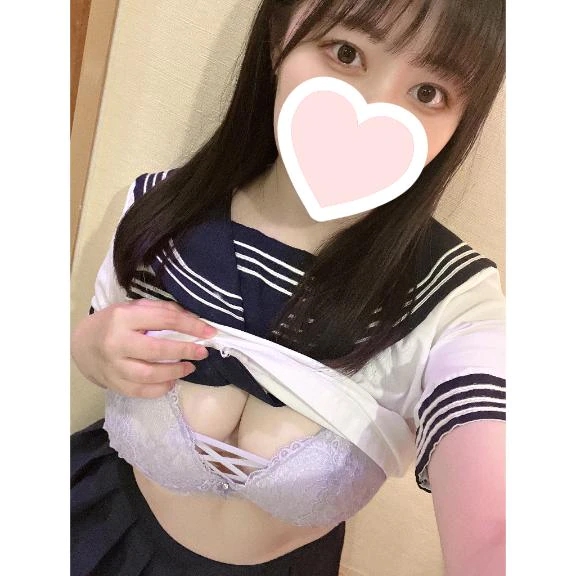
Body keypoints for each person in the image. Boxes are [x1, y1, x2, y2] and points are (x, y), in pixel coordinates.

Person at [71, 0, 506, 574]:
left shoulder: (453, 301)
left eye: (428, 93)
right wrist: (89, 348)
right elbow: (98, 335)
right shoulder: (157, 211)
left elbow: (501, 518)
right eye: (346, 53)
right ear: (280, 36)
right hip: (95, 528)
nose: (374, 107)